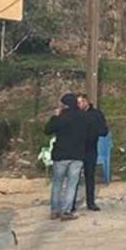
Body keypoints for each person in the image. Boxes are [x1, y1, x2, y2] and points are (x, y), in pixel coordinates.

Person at [45, 93, 88, 221]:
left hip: (61, 154)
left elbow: (47, 130)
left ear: (64, 105)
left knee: (57, 183)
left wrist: (54, 116)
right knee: (72, 184)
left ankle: (54, 210)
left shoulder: (61, 117)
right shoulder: (83, 116)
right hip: (77, 154)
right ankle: (67, 210)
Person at [75, 93, 108, 212]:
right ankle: (71, 202)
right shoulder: (75, 114)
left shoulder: (96, 114)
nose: (78, 105)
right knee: (74, 177)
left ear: (86, 101)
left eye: (80, 102)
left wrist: (92, 130)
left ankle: (91, 202)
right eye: (77, 103)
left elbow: (104, 131)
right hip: (76, 149)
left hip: (90, 148)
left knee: (90, 176)